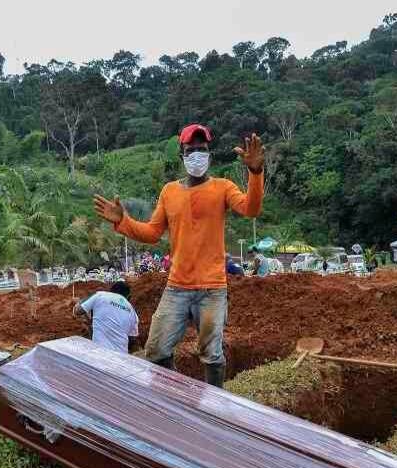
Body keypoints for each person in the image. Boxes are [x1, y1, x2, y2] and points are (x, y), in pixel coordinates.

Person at [92, 123, 264, 387]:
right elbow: (151, 233)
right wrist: (123, 221)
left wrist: (255, 172)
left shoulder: (223, 187)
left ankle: (214, 402)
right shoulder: (169, 191)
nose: (197, 154)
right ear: (181, 155)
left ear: (210, 154)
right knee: (156, 351)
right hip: (177, 287)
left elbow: (251, 209)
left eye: (202, 149)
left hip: (212, 288)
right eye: (190, 150)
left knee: (212, 354)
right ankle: (178, 393)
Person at [73, 281, 139, 354]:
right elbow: (132, 338)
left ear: (110, 291)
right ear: (128, 297)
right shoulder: (133, 312)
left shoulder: (101, 295)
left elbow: (78, 311)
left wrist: (79, 302)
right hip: (121, 356)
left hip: (100, 352)